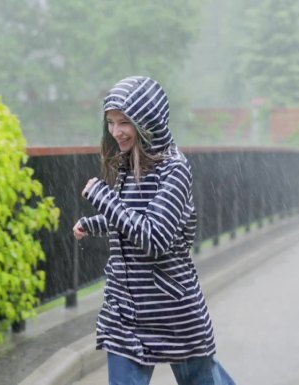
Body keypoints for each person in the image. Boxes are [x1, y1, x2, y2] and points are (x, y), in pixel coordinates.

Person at [73, 76, 236, 385]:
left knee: (203, 379)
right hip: (124, 309)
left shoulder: (174, 169)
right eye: (110, 122)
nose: (116, 132)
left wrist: (103, 198)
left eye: (124, 122)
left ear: (147, 121)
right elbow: (129, 220)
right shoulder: (124, 163)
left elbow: (156, 237)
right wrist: (93, 223)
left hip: (170, 308)